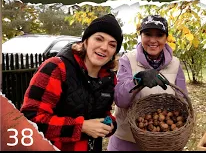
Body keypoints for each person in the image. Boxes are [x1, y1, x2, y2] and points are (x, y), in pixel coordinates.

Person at [20, 14, 123, 151]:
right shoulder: (57, 68)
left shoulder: (109, 79)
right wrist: (82, 127)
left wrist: (109, 124)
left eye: (112, 45)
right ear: (85, 41)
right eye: (99, 39)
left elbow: (102, 113)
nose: (104, 47)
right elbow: (30, 121)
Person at [107, 15, 188, 151]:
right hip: (127, 140)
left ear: (166, 38)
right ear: (141, 36)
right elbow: (120, 99)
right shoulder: (128, 59)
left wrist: (176, 133)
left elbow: (183, 100)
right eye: (147, 34)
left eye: (159, 35)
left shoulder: (175, 64)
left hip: (161, 141)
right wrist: (139, 81)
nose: (153, 40)